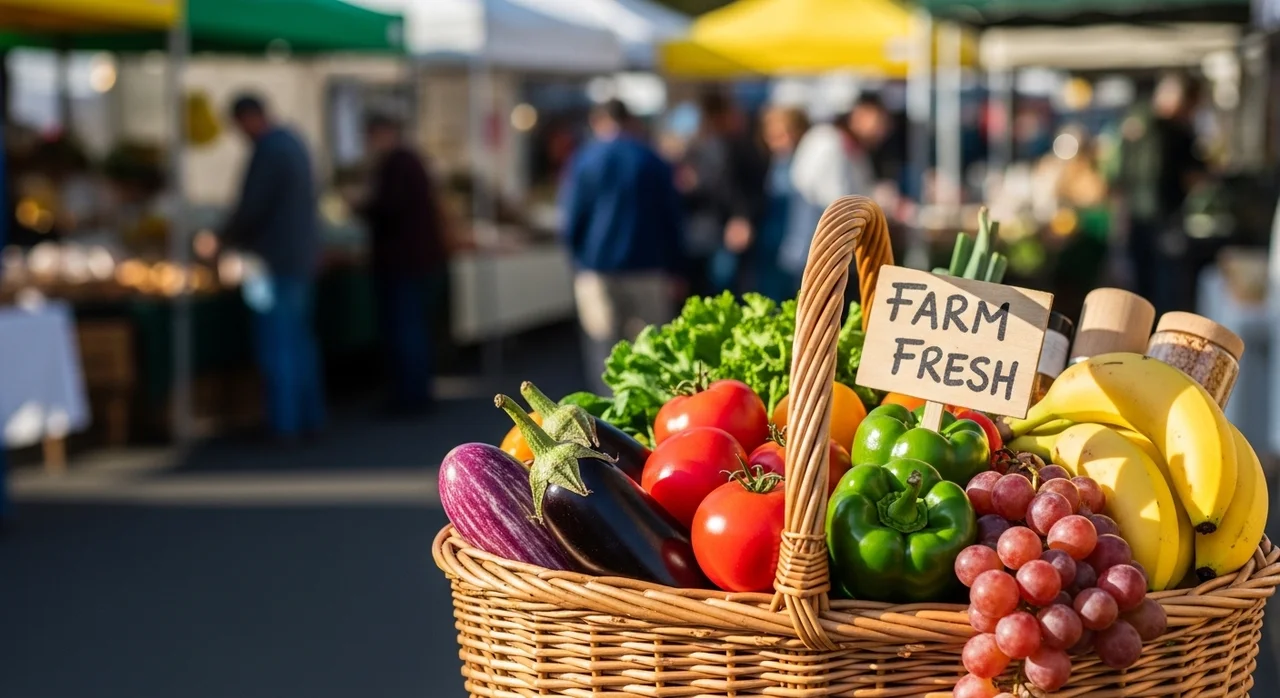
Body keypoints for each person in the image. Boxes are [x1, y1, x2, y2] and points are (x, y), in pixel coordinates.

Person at [219, 94, 326, 441]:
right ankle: (307, 417)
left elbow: (253, 208)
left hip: (273, 261)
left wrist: (223, 239)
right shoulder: (293, 142)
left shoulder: (269, 150)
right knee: (298, 343)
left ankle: (285, 422)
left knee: (279, 345)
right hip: (297, 258)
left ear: (249, 117)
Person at [560, 99, 685, 393]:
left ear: (598, 121)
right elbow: (672, 219)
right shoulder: (652, 159)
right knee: (649, 349)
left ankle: (608, 422)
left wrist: (578, 260)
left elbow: (572, 217)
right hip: (649, 265)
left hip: (598, 266)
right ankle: (647, 414)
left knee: (603, 347)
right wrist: (677, 267)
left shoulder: (585, 159)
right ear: (630, 120)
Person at [354, 114, 448, 415]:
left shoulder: (398, 164)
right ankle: (413, 393)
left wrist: (362, 205)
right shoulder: (407, 162)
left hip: (403, 262)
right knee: (411, 329)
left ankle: (410, 396)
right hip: (412, 260)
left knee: (406, 331)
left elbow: (389, 208)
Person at [678, 92, 767, 296]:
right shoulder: (708, 146)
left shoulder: (723, 146)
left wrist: (742, 217)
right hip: (711, 231)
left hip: (717, 231)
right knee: (718, 291)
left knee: (722, 290)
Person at [779, 106, 876, 285]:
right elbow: (838, 199)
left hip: (820, 241)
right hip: (820, 243)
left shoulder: (828, 140)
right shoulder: (829, 142)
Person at [755, 106, 808, 302]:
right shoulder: (775, 161)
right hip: (772, 236)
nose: (775, 142)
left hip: (792, 235)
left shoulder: (802, 160)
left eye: (782, 135)